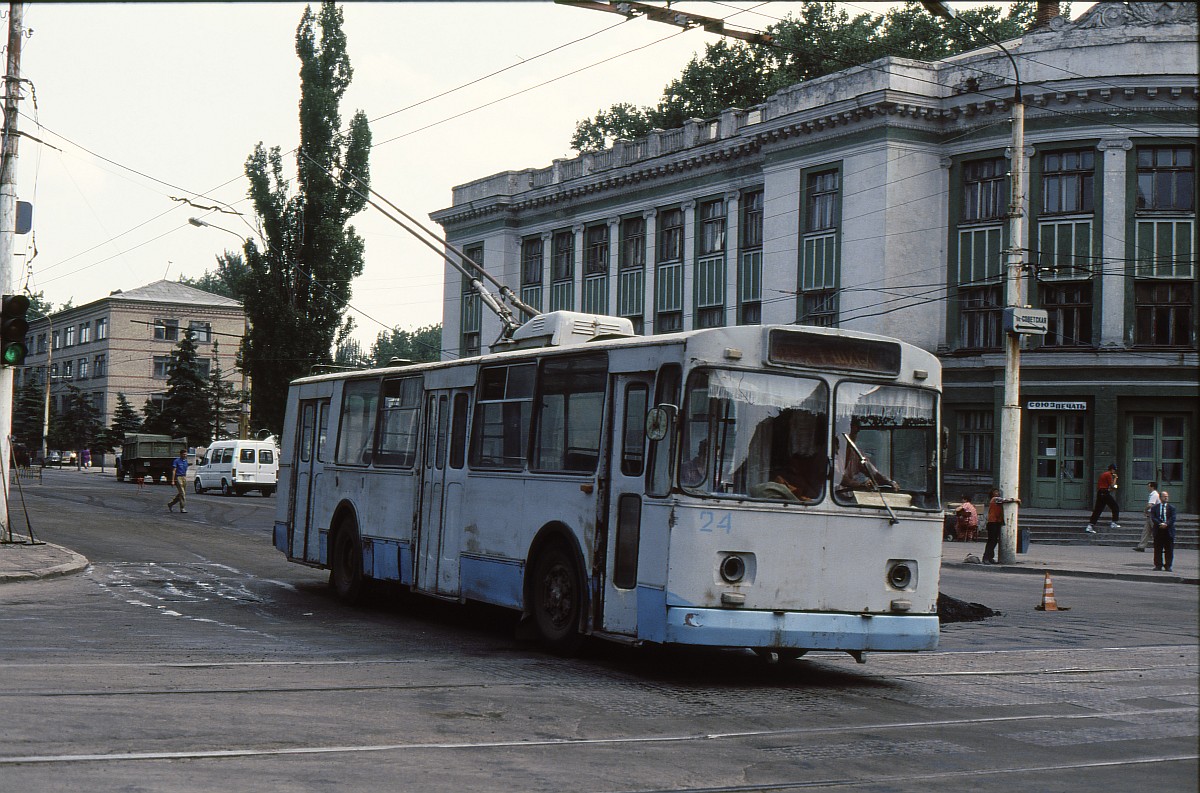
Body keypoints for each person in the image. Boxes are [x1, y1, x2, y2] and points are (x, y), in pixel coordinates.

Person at [1084, 463, 1120, 534]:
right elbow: (1112, 486)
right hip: (1105, 493)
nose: (1114, 472)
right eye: (1114, 470)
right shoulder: (1108, 475)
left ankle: (1090, 525)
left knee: (1098, 510)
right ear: (1112, 469)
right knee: (1115, 507)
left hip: (1101, 493)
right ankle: (1114, 523)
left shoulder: (1104, 474)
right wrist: (1116, 479)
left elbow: (1105, 486)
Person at [1152, 490, 1176, 572]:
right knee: (1158, 548)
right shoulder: (1155, 507)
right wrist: (1160, 524)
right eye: (1164, 496)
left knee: (1169, 549)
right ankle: (1158, 565)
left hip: (1168, 530)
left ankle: (1168, 566)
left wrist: (1166, 524)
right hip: (1158, 530)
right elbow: (1153, 517)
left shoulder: (1172, 508)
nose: (1166, 498)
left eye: (1167, 496)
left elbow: (1173, 518)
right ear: (1160, 497)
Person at [1135, 481, 1160, 552]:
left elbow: (1150, 505)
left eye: (1148, 486)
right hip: (1150, 515)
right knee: (1146, 531)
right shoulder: (1152, 494)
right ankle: (1141, 546)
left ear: (1152, 487)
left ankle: (1160, 546)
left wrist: (1145, 510)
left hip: (1153, 515)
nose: (1147, 488)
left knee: (1156, 531)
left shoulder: (1154, 494)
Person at [981, 488, 1003, 564]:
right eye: (995, 492)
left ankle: (990, 557)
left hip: (996, 522)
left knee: (994, 541)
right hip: (992, 522)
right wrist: (1016, 500)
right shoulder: (994, 499)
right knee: (991, 541)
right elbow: (1005, 500)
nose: (997, 493)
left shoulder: (997, 500)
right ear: (992, 494)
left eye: (998, 492)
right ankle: (986, 557)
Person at [167, 449, 189, 514]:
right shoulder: (176, 461)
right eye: (183, 454)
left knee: (181, 493)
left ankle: (171, 504)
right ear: (180, 454)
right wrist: (173, 480)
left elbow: (185, 470)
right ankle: (182, 508)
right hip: (178, 477)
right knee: (182, 493)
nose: (185, 455)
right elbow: (174, 471)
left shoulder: (185, 461)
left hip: (184, 477)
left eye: (185, 454)